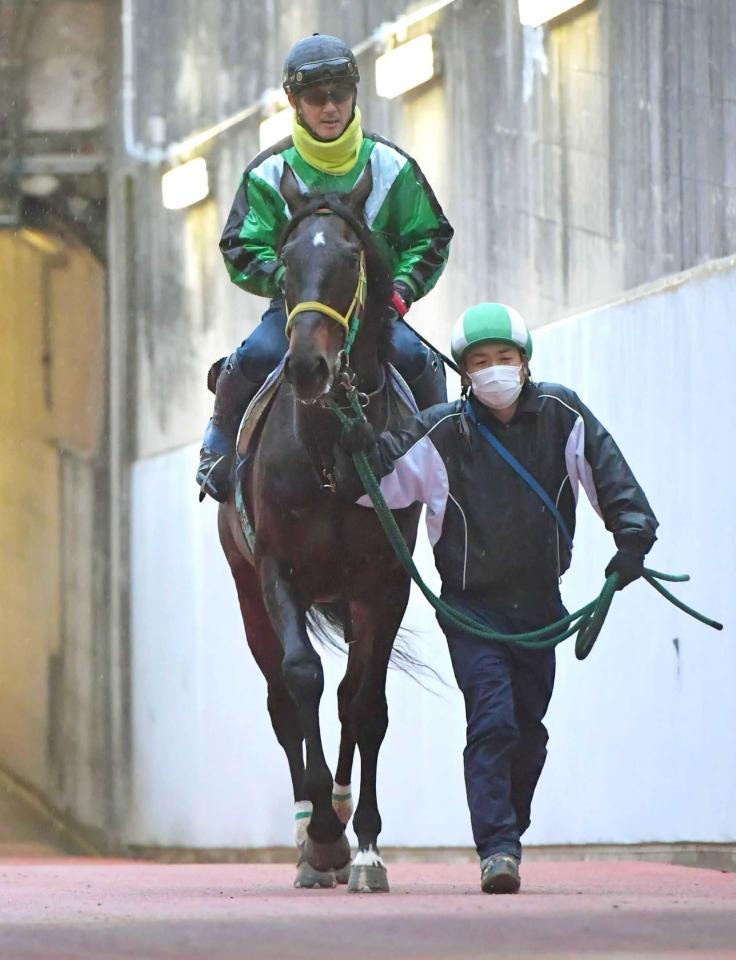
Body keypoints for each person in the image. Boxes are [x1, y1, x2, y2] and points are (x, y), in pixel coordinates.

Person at [333, 302, 658, 894]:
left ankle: (509, 827)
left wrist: (632, 536)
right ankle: (497, 849)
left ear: (525, 363)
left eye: (503, 358)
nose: (493, 371)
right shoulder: (440, 430)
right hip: (471, 609)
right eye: (480, 362)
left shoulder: (563, 413)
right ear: (464, 373)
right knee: (493, 719)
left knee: (529, 729)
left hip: (540, 607)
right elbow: (373, 483)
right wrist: (354, 443)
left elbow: (607, 472)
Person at [197, 33, 453, 501]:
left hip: (375, 311)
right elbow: (239, 244)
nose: (330, 107)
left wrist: (401, 290)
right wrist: (284, 280)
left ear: (355, 93)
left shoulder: (391, 166)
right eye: (316, 97)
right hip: (301, 309)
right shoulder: (267, 173)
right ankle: (216, 449)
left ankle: (453, 459)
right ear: (293, 102)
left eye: (340, 93)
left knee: (418, 360)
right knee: (254, 356)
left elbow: (430, 236)